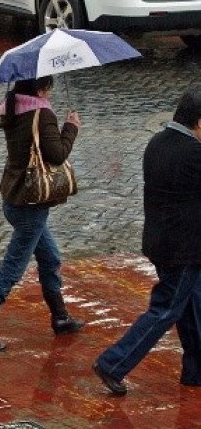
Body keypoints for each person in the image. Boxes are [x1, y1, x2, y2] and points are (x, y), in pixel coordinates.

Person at [94, 85, 201, 395]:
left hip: (162, 242)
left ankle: (195, 371)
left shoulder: (157, 143)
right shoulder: (193, 153)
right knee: (166, 309)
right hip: (183, 249)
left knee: (192, 305)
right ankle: (113, 363)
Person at [0, 76, 84, 352]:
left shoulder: (12, 108)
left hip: (14, 198)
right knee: (13, 268)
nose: (49, 94)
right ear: (40, 89)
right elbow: (57, 155)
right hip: (31, 204)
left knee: (50, 258)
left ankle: (60, 317)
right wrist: (71, 127)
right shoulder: (41, 113)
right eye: (48, 88)